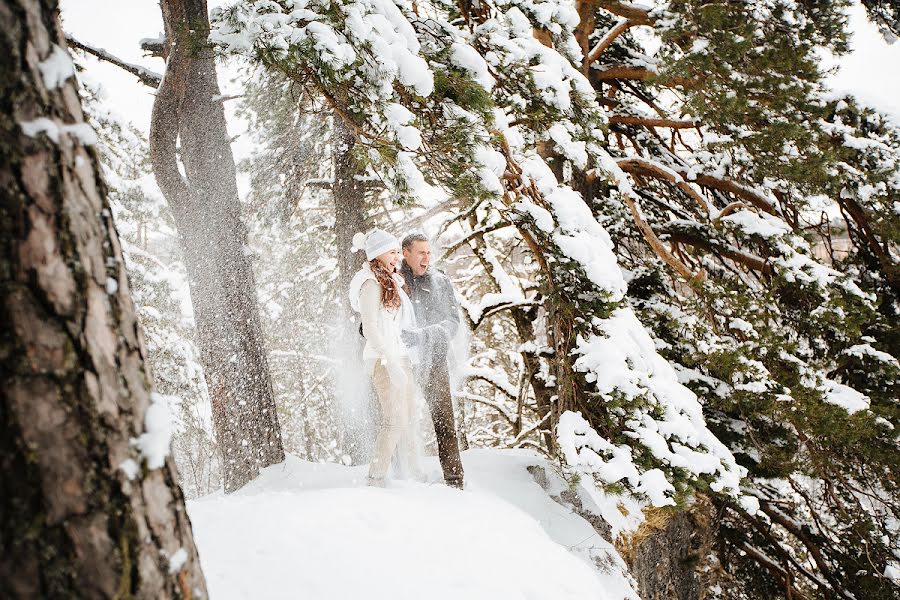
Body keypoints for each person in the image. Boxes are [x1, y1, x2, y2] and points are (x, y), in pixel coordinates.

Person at [348, 229, 423, 487]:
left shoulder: (391, 282)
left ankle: (414, 474)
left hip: (401, 357)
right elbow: (370, 328)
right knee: (393, 421)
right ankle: (375, 479)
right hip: (384, 361)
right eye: (392, 252)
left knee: (409, 418)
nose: (397, 258)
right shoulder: (370, 283)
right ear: (377, 254)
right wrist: (390, 362)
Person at [399, 233, 466, 489]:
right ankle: (400, 479)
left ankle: (454, 479)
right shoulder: (394, 279)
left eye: (429, 252)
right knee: (397, 420)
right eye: (421, 252)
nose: (427, 258)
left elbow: (453, 322)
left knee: (444, 420)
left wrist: (426, 335)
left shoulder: (439, 281)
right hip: (403, 362)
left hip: (435, 360)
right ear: (406, 253)